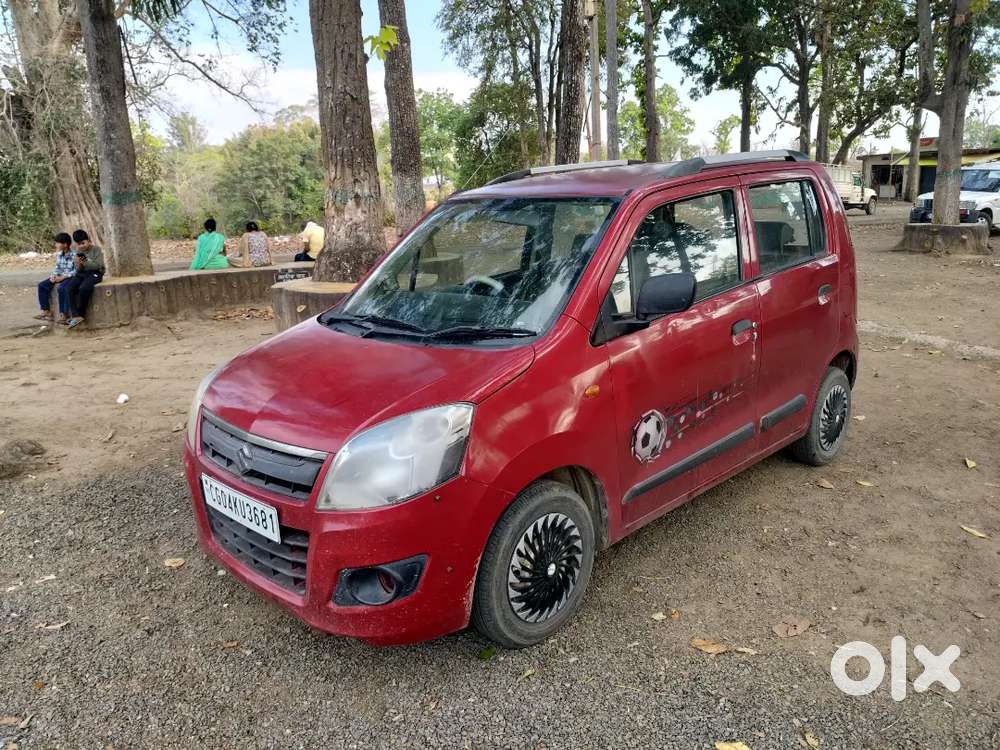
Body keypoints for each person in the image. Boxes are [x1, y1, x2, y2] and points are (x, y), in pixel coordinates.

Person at [64, 229, 105, 329]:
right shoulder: (79, 251)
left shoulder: (96, 250)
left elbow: (98, 266)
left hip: (95, 273)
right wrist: (79, 264)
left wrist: (85, 262)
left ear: (88, 240)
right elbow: (79, 269)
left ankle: (80, 314)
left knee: (84, 288)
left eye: (83, 243)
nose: (82, 246)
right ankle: (75, 315)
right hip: (83, 273)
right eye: (79, 244)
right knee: (70, 288)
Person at [34, 233, 76, 324]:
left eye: (57, 243)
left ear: (65, 244)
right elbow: (57, 268)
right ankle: (46, 311)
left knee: (62, 288)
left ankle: (64, 314)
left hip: (69, 277)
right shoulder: (59, 255)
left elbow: (75, 271)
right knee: (42, 285)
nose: (55, 245)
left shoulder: (74, 255)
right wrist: (53, 276)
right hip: (59, 276)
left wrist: (62, 277)